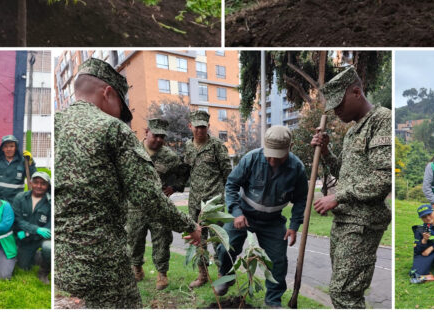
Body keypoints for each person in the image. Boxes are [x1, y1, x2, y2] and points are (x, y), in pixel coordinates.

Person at [54, 58, 200, 307]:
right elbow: (148, 196)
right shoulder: (113, 129)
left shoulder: (54, 123)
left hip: (60, 264)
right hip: (102, 264)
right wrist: (189, 226)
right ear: (108, 93)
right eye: (121, 109)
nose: (120, 117)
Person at [311, 66, 392, 308]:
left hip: (363, 222)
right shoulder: (353, 131)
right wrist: (326, 152)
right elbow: (345, 173)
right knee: (344, 292)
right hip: (344, 220)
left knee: (344, 293)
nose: (336, 111)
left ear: (356, 92)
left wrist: (338, 197)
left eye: (339, 104)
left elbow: (383, 178)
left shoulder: (382, 120)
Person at [216, 126, 308, 306]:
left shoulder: (297, 168)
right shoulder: (251, 159)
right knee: (226, 247)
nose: (272, 160)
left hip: (273, 221)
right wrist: (236, 213)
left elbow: (300, 200)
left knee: (278, 261)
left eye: (278, 156)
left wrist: (294, 226)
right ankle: (226, 277)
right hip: (244, 214)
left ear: (289, 148)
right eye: (269, 155)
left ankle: (273, 301)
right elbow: (231, 185)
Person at [127, 117, 189, 289]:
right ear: (147, 132)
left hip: (159, 206)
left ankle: (162, 274)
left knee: (162, 240)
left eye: (162, 137)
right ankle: (136, 268)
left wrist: (174, 187)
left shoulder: (169, 156)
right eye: (155, 135)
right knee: (134, 239)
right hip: (135, 206)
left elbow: (183, 172)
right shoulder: (132, 150)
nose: (159, 139)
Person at [184, 108, 232, 289]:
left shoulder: (216, 145)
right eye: (197, 127)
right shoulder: (188, 146)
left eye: (203, 127)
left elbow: (228, 173)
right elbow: (187, 170)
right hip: (195, 202)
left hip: (214, 202)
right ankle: (202, 274)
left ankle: (221, 275)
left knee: (217, 238)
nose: (200, 130)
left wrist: (228, 196)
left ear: (208, 126)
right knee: (198, 240)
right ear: (190, 126)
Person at [12, 171, 51, 283]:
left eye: (43, 183)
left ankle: (44, 272)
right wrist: (35, 230)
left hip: (41, 238)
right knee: (23, 266)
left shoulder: (51, 202)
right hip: (26, 238)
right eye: (36, 182)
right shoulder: (20, 197)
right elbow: (17, 219)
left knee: (48, 247)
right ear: (30, 183)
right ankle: (39, 256)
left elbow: (50, 227)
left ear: (48, 186)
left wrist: (31, 232)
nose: (39, 186)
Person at [0, 134, 31, 200]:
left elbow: (33, 176)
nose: (9, 149)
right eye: (5, 146)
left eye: (12, 146)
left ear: (16, 148)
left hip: (16, 200)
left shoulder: (23, 161)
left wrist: (31, 163)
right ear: (2, 148)